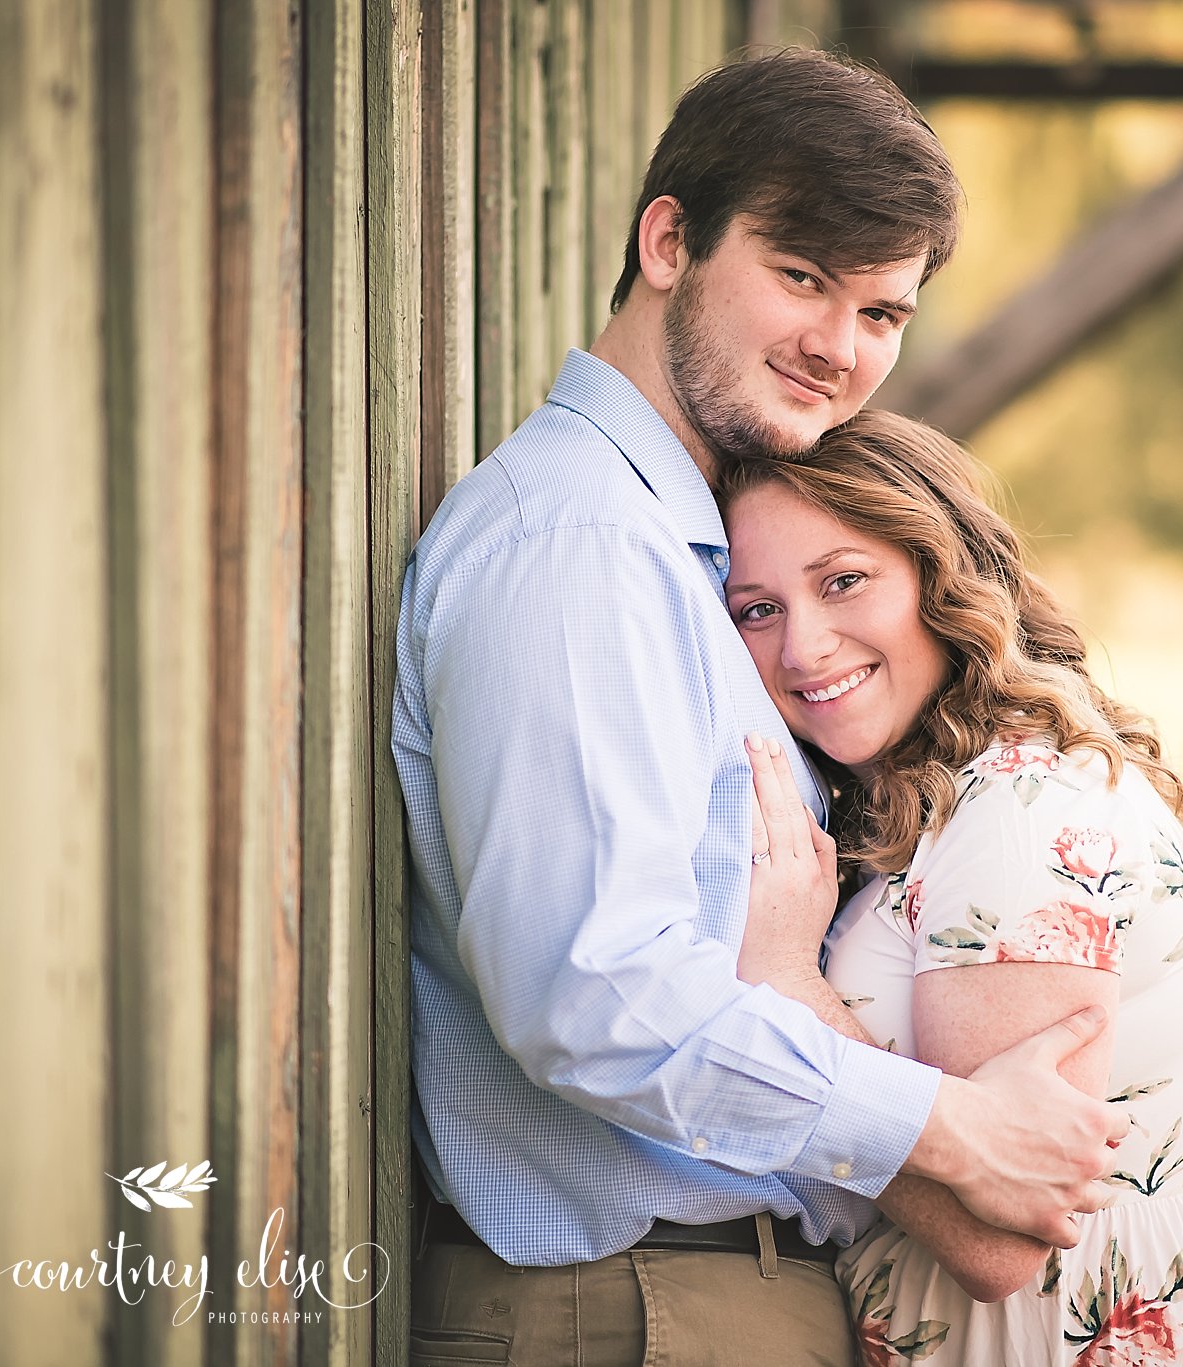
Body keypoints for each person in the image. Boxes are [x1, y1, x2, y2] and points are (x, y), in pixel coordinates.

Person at [393, 50, 1130, 1367]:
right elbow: (591, 993)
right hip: (629, 1307)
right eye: (802, 277)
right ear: (668, 238)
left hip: (697, 1299)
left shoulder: (692, 546)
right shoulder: (579, 545)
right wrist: (948, 1125)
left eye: (883, 313)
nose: (840, 350)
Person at [717, 410, 1183, 1366]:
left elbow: (1003, 1239)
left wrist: (791, 991)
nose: (803, 647)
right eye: (757, 608)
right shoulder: (947, 799)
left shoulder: (1019, 815)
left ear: (938, 578)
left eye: (844, 581)